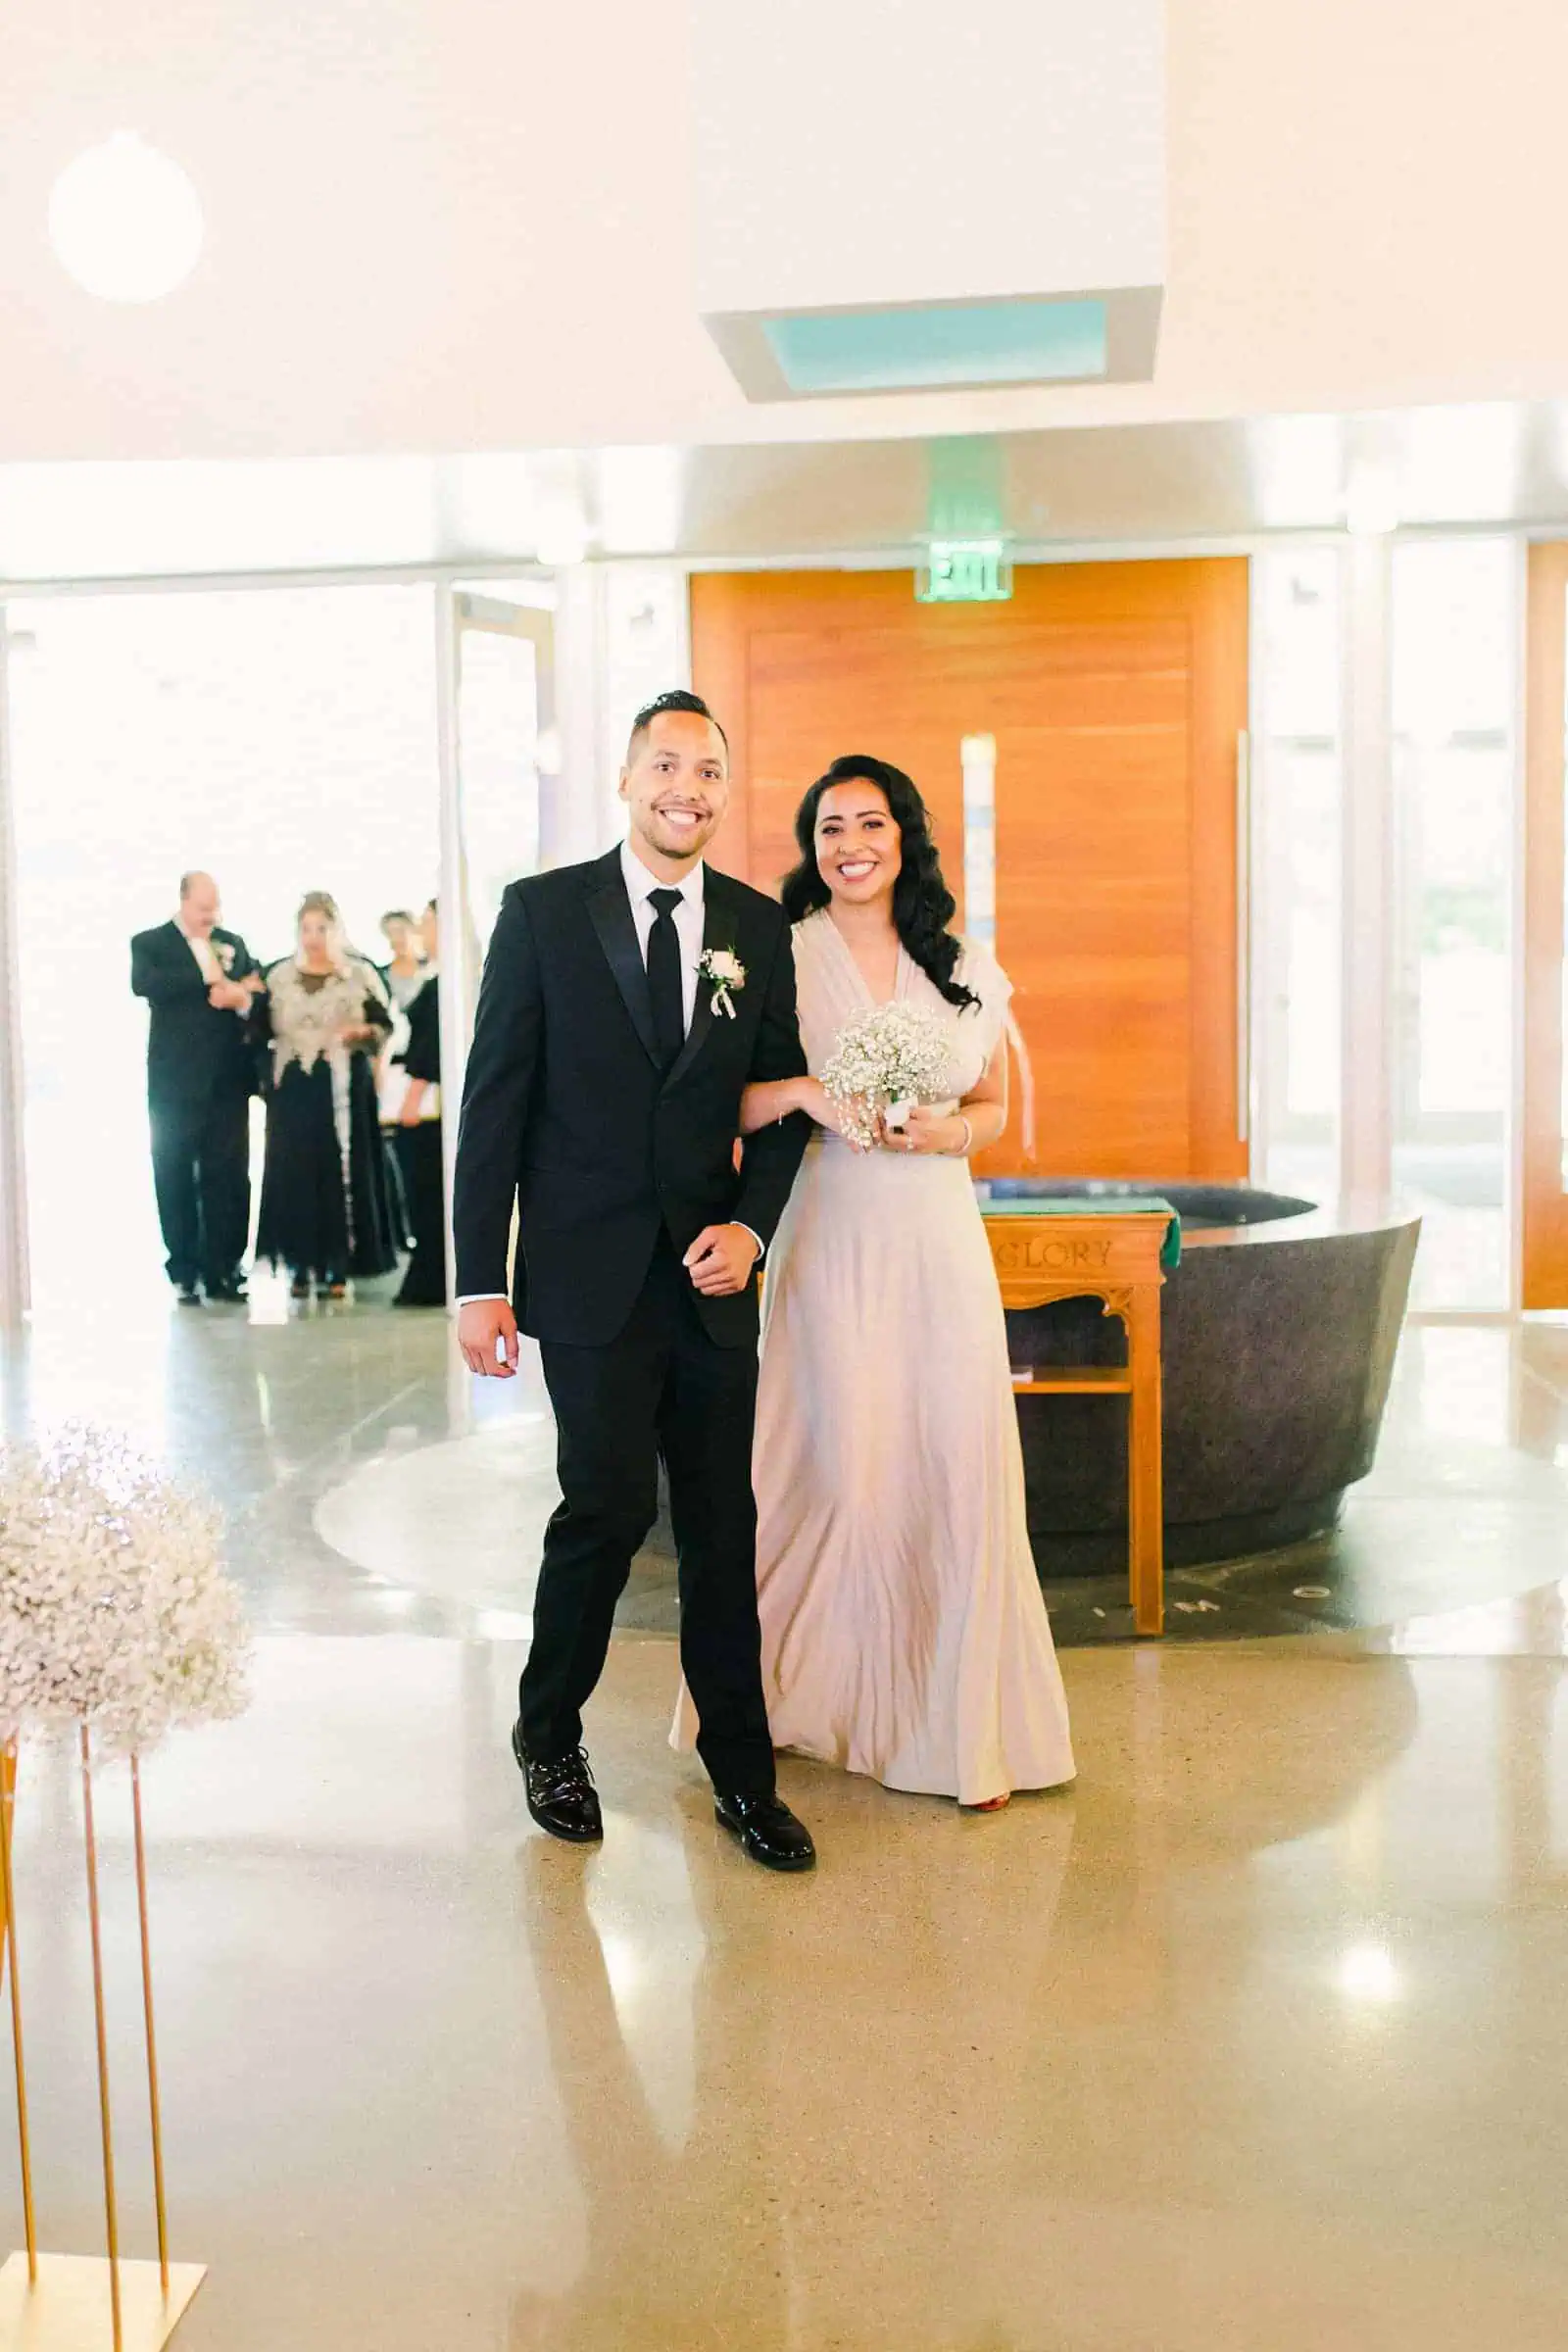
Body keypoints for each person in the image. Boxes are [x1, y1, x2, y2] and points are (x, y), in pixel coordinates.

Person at [453, 689, 817, 1875]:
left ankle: (743, 1777)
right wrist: (477, 1281)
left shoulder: (757, 931)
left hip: (711, 1281)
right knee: (604, 1511)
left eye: (709, 771)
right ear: (625, 778)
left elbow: (778, 1111)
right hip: (585, 1276)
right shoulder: (543, 913)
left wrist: (753, 1232)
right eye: (667, 765)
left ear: (723, 788)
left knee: (723, 1523)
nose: (687, 789)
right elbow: (493, 1106)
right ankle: (547, 1731)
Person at [676, 755, 1075, 1809]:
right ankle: (807, 1702)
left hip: (937, 1237)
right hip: (829, 1232)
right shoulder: (777, 950)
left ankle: (958, 1728)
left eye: (870, 824)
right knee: (836, 1464)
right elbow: (724, 1104)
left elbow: (988, 1102)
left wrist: (954, 1130)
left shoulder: (959, 962)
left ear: (905, 838)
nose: (850, 845)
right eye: (829, 828)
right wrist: (810, 1092)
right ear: (811, 847)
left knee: (951, 1459)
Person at [253, 891, 399, 1300]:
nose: (313, 937)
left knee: (339, 1171)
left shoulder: (360, 974)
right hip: (295, 1089)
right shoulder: (277, 976)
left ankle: (340, 1262)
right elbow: (258, 1031)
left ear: (336, 929)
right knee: (295, 1173)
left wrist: (362, 1035)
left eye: (321, 928)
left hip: (341, 1089)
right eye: (306, 929)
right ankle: (300, 1262)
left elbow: (385, 1026)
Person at [130, 871, 264, 1305]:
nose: (211, 916)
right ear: (184, 902)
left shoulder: (233, 942)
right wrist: (209, 980)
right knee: (174, 1173)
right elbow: (145, 984)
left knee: (229, 1175)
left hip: (227, 1081)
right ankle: (183, 1267)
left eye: (215, 907)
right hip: (174, 1084)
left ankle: (225, 1266)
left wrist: (240, 996)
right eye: (203, 907)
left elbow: (256, 988)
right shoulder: (150, 943)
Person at [391, 901, 447, 1307]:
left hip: (429, 1108)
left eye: (427, 923)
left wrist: (410, 1100)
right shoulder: (439, 979)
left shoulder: (444, 985)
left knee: (426, 1193)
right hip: (427, 1102)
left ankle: (430, 1279)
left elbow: (428, 1050)